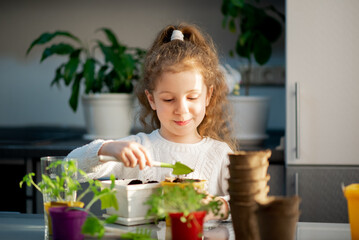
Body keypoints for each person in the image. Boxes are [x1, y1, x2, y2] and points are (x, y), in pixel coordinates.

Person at [67, 23, 236, 221]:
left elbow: (245, 204)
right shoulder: (137, 150)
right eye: (168, 99)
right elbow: (70, 167)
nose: (181, 109)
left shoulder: (220, 154)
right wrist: (106, 149)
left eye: (192, 98)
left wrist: (216, 207)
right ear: (151, 99)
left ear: (208, 96)